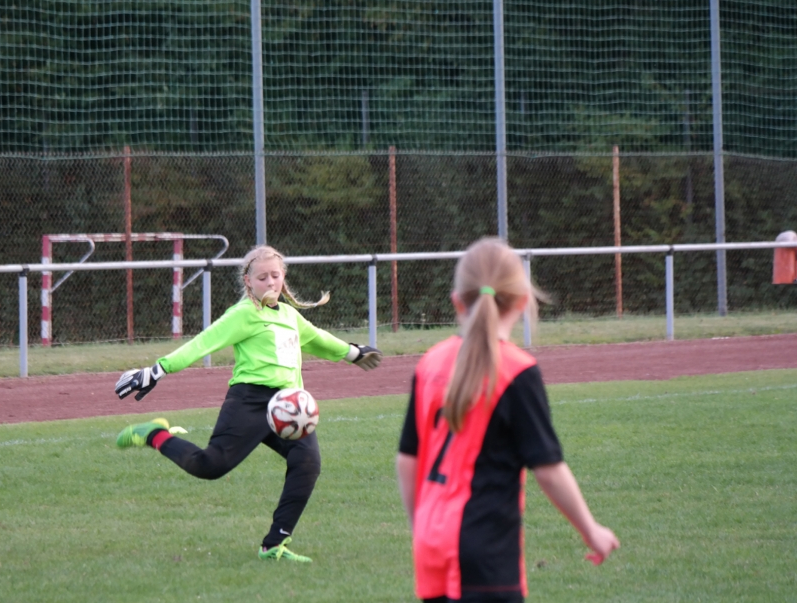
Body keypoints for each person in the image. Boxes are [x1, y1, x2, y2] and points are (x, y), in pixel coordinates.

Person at [114, 244, 383, 563]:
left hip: (288, 406)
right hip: (250, 403)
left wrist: (354, 353)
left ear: (283, 277)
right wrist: (156, 371)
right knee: (209, 466)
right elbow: (202, 343)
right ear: (248, 281)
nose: (270, 282)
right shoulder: (243, 314)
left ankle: (274, 545)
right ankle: (154, 434)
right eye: (262, 277)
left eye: (275, 275)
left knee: (308, 463)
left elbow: (317, 339)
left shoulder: (289, 316)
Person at [396, 237, 619, 602]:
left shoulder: (430, 362)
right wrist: (590, 530)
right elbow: (548, 469)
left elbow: (408, 459)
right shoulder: (517, 371)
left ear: (457, 301)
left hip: (431, 544)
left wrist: (420, 524)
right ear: (522, 300)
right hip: (485, 550)